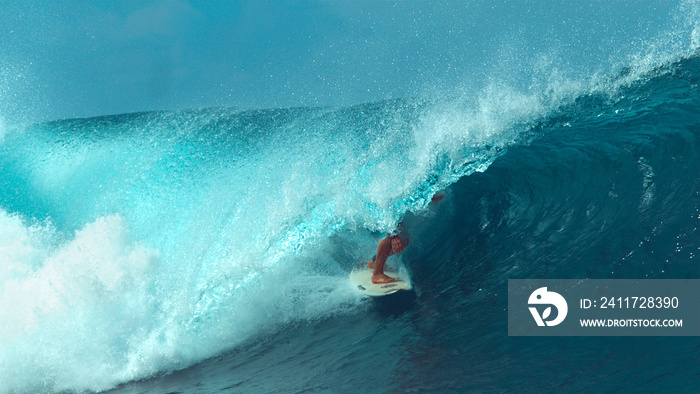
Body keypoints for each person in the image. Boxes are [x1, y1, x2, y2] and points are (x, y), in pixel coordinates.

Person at [367, 193, 445, 284]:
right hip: (377, 215)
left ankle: (375, 262)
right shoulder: (389, 189)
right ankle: (377, 274)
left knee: (404, 240)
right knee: (389, 239)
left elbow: (412, 193)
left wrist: (430, 198)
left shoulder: (403, 186)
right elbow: (384, 210)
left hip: (388, 214)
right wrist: (394, 235)